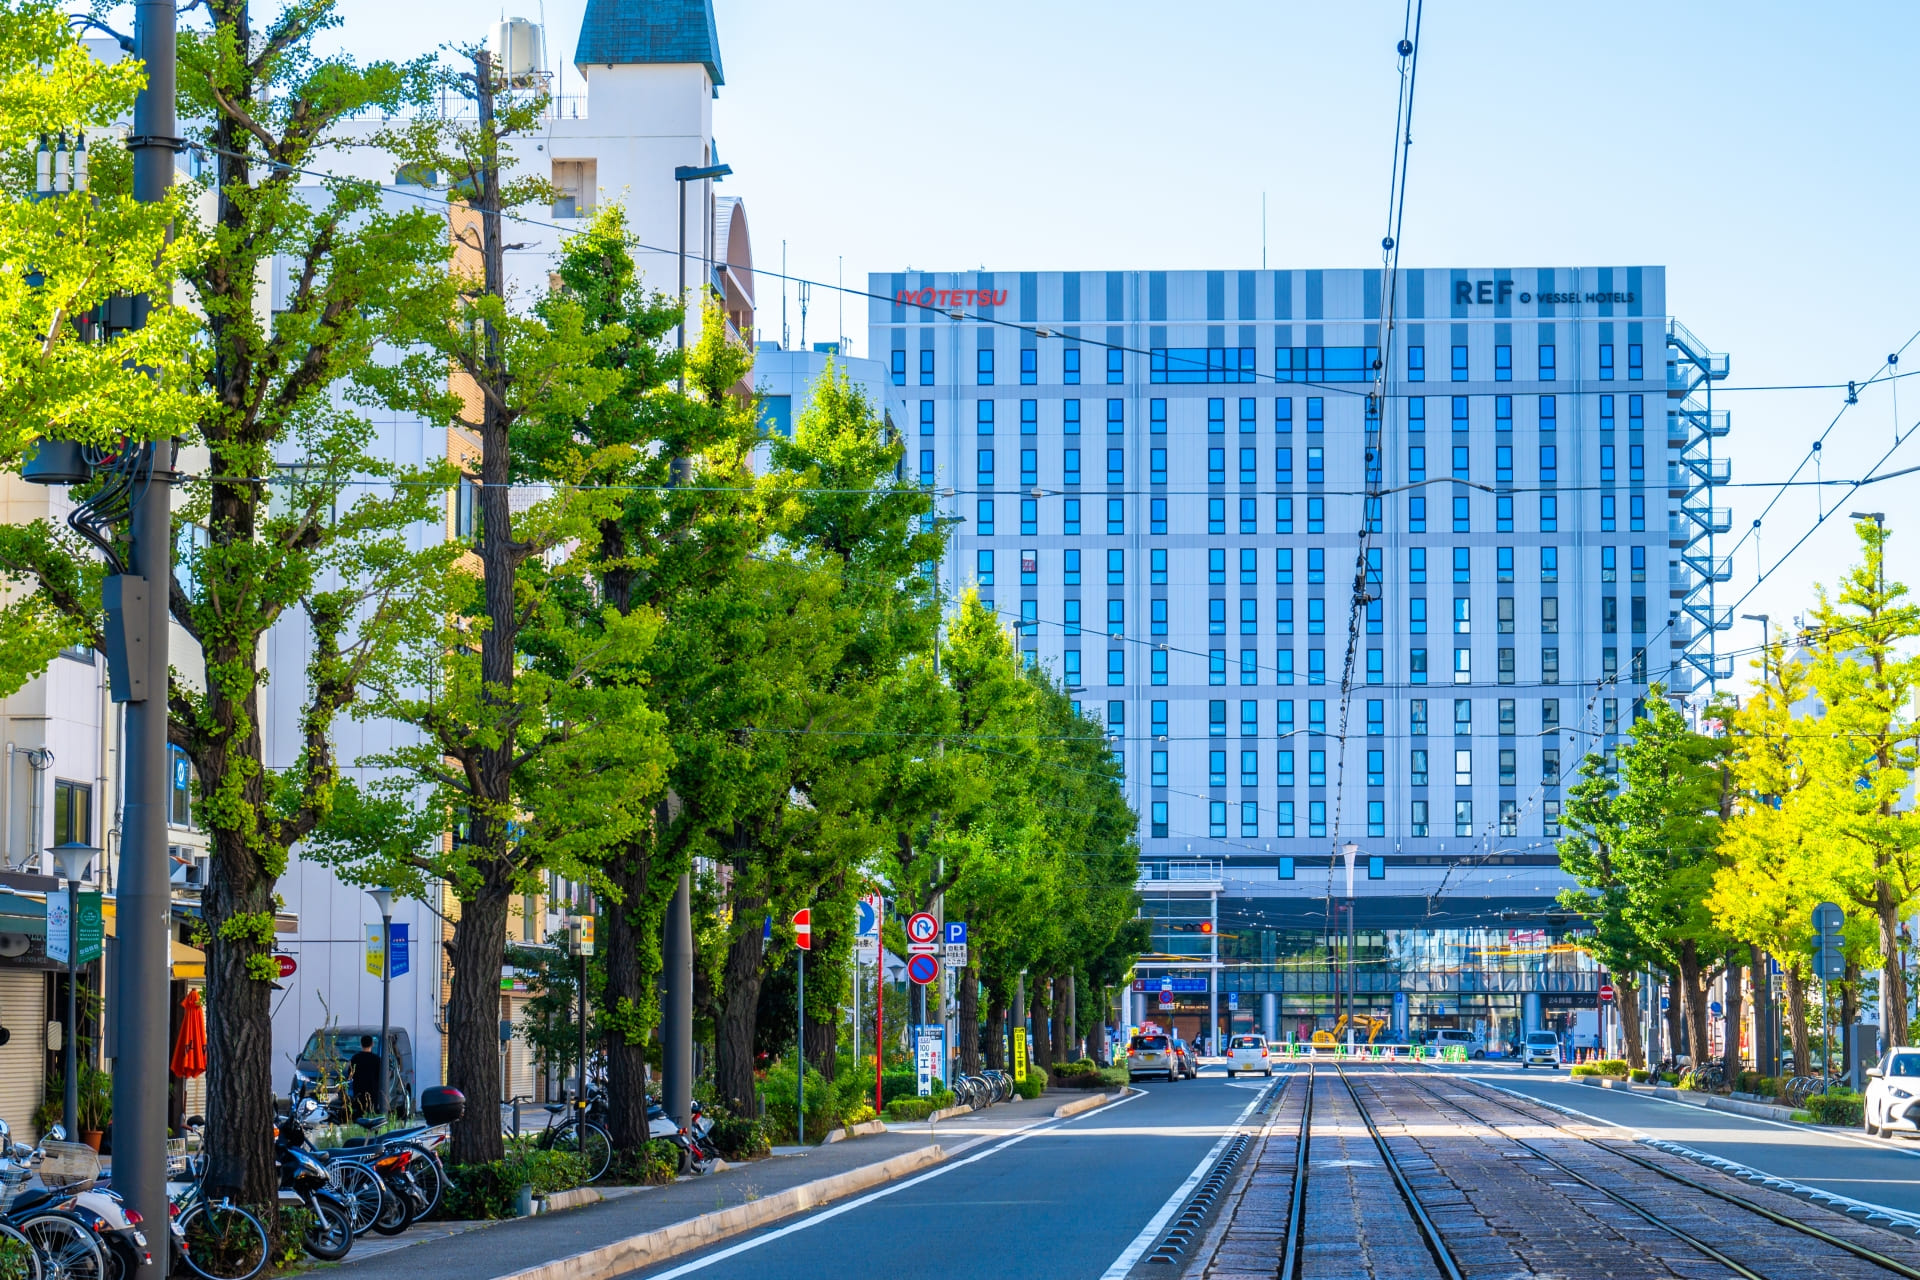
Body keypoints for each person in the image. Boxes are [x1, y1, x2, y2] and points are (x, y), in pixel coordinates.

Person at [348, 1035, 383, 1116]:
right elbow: (380, 1076)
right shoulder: (377, 1059)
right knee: (371, 1112)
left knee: (360, 1112)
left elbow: (350, 1074)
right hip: (373, 1090)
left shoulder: (355, 1058)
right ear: (372, 1044)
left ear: (361, 1044)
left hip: (358, 1090)